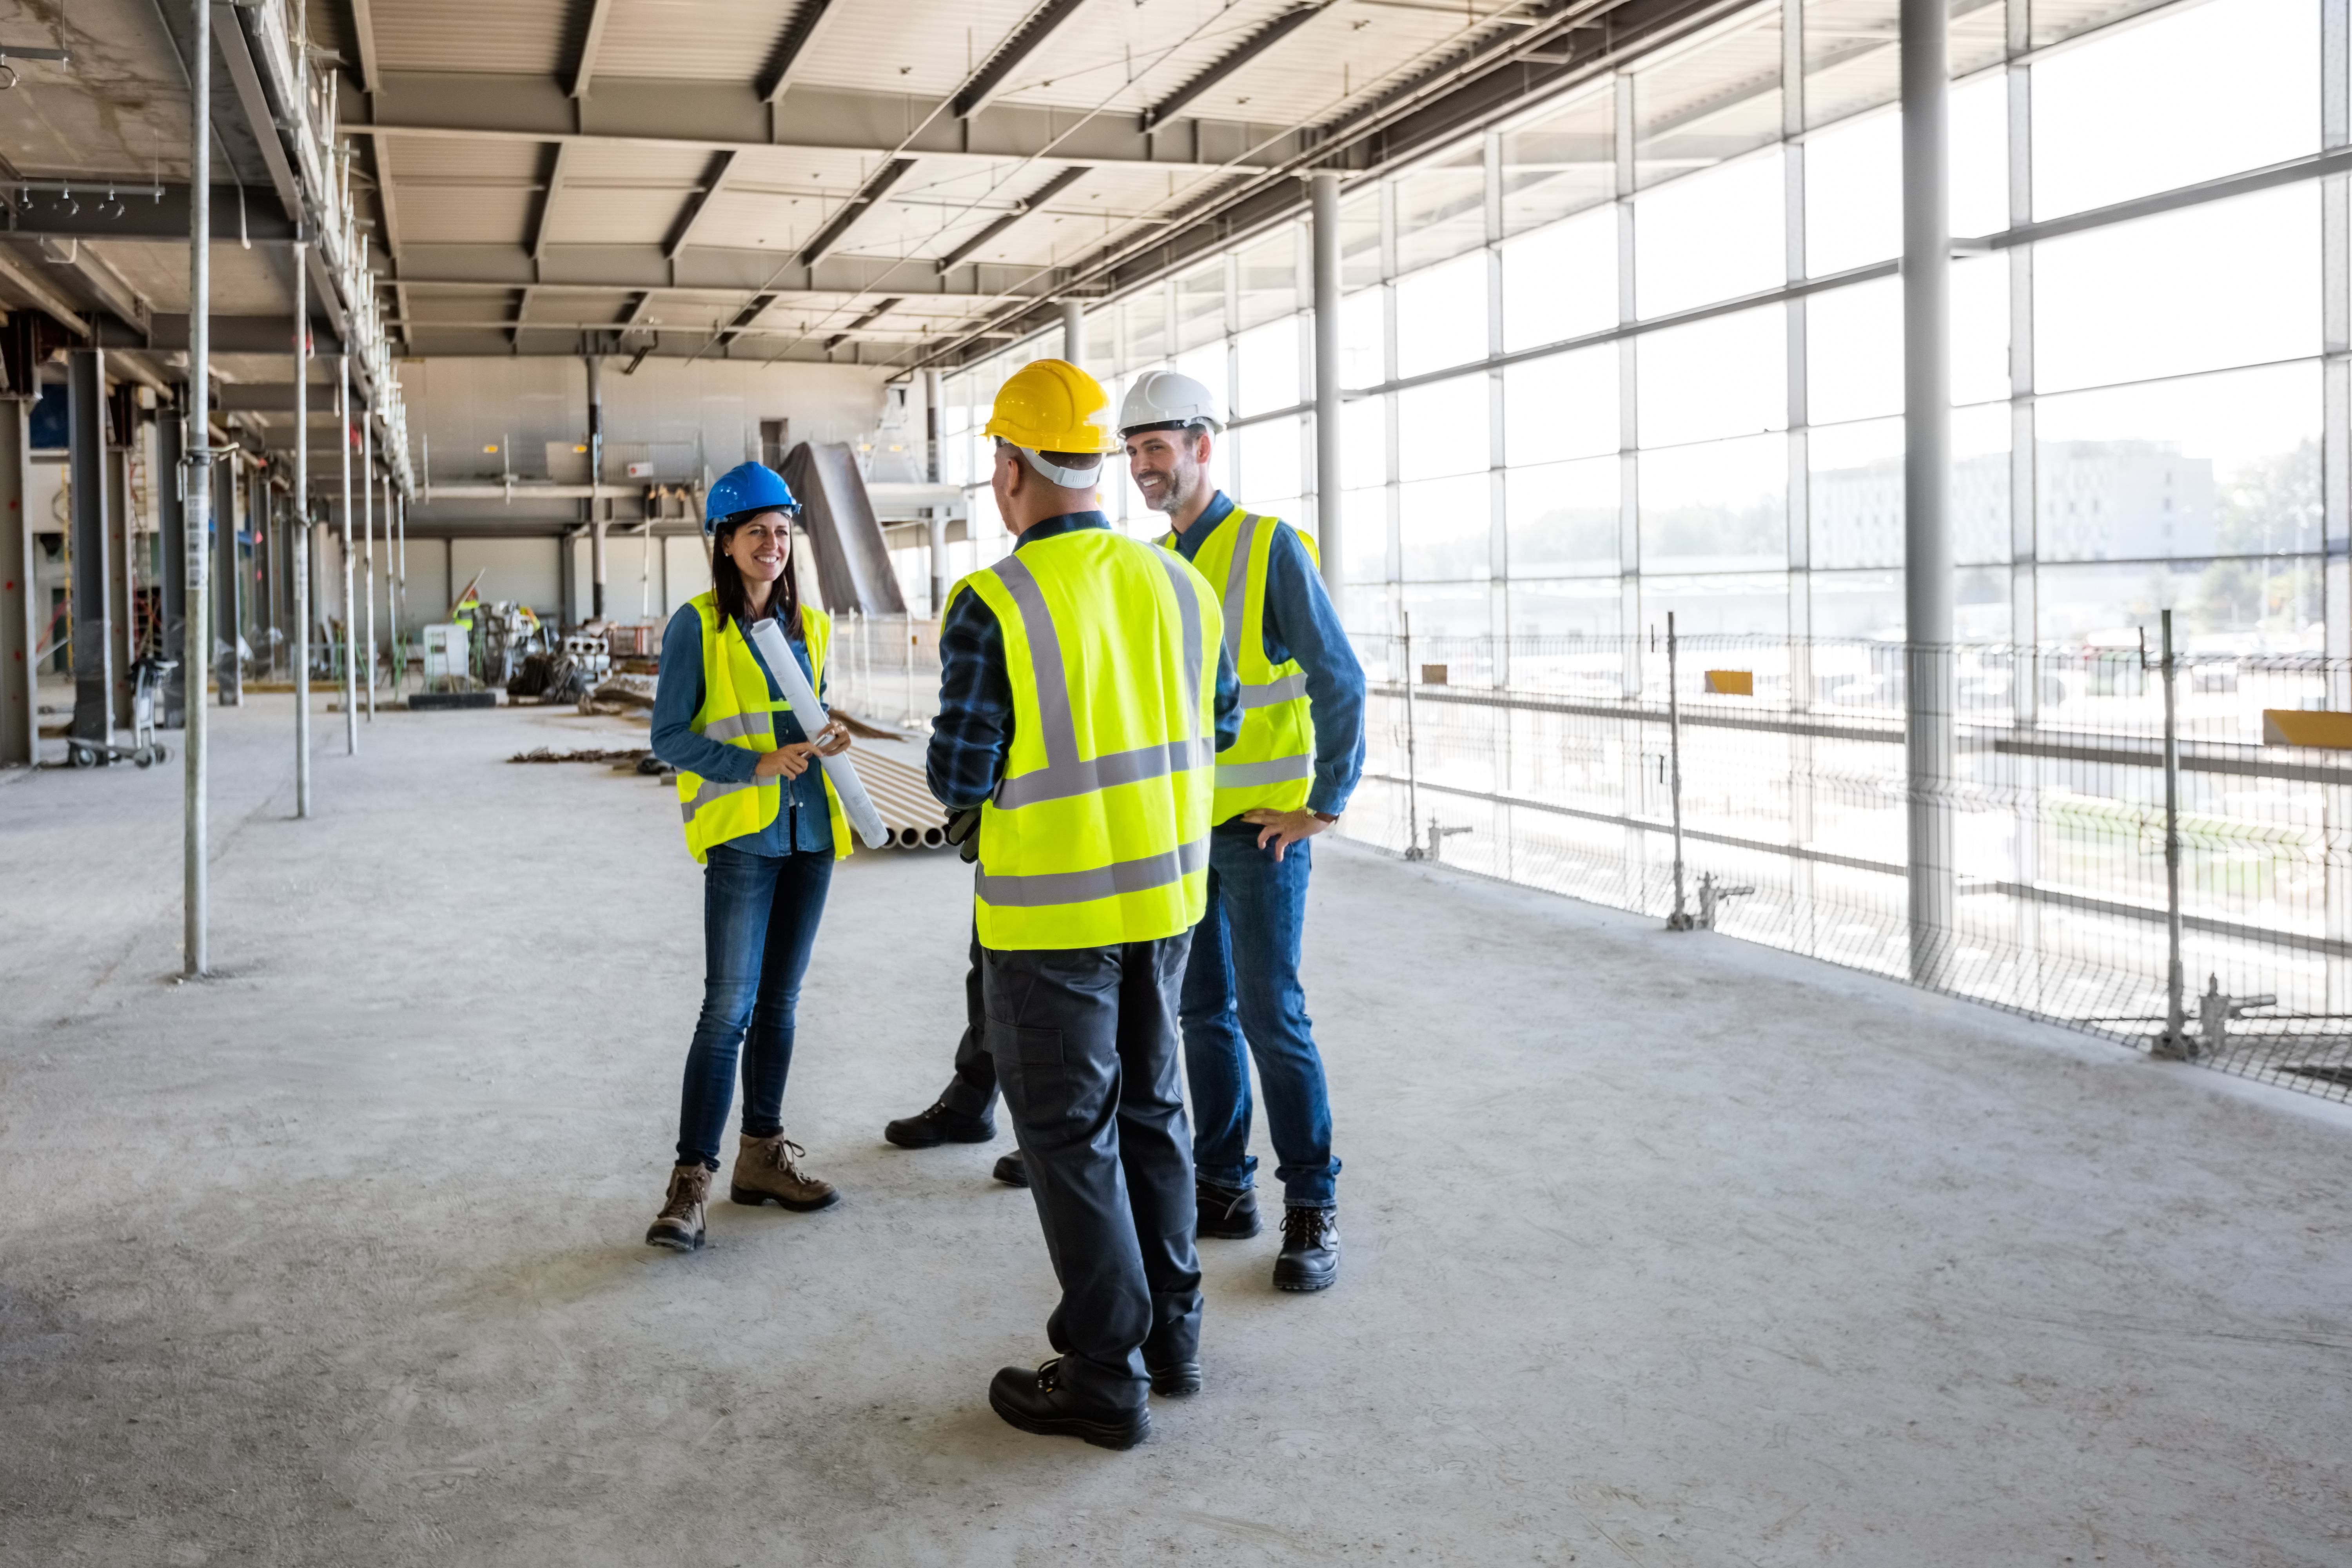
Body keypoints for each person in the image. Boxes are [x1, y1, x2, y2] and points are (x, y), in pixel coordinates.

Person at [933, 358, 1240, 1450]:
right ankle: (1176, 1342)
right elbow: (1227, 727)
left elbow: (957, 774)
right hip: (1167, 904)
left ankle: (1105, 1376)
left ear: (1011, 469)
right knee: (1154, 1115)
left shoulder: (995, 602)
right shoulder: (1181, 585)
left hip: (1050, 919)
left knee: (1069, 1140)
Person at [1121, 368, 1366, 1294]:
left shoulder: (1269, 550)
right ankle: (1224, 1185)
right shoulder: (1156, 563)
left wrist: (1325, 804)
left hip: (1265, 835)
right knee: (1202, 1016)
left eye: (1158, 447)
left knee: (1273, 1015)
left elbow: (1341, 679)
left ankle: (1313, 1203)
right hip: (1188, 833)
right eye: (1134, 451)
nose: (1145, 465)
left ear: (1201, 446)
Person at [642, 461, 858, 1253]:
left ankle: (762, 1153)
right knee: (727, 1008)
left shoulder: (814, 624)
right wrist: (756, 763)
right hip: (744, 836)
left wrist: (828, 734)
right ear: (725, 542)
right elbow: (669, 736)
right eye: (756, 531)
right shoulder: (697, 625)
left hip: (811, 834)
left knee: (781, 1003)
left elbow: (808, 711)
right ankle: (689, 1179)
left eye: (782, 531)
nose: (773, 543)